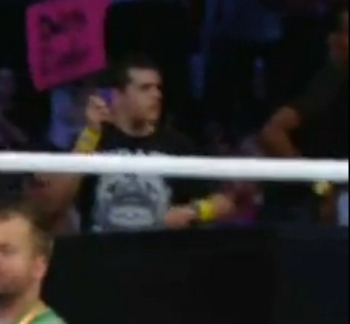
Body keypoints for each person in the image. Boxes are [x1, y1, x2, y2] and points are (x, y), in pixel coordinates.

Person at [44, 56, 234, 232]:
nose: (156, 95)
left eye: (158, 88)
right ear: (118, 96)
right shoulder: (92, 140)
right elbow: (53, 204)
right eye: (145, 88)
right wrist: (90, 134)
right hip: (102, 252)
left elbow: (225, 203)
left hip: (158, 251)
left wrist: (194, 211)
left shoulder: (177, 145)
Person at [258, 7, 347, 226]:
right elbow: (272, 133)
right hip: (300, 204)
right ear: (334, 40)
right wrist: (322, 187)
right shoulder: (325, 81)